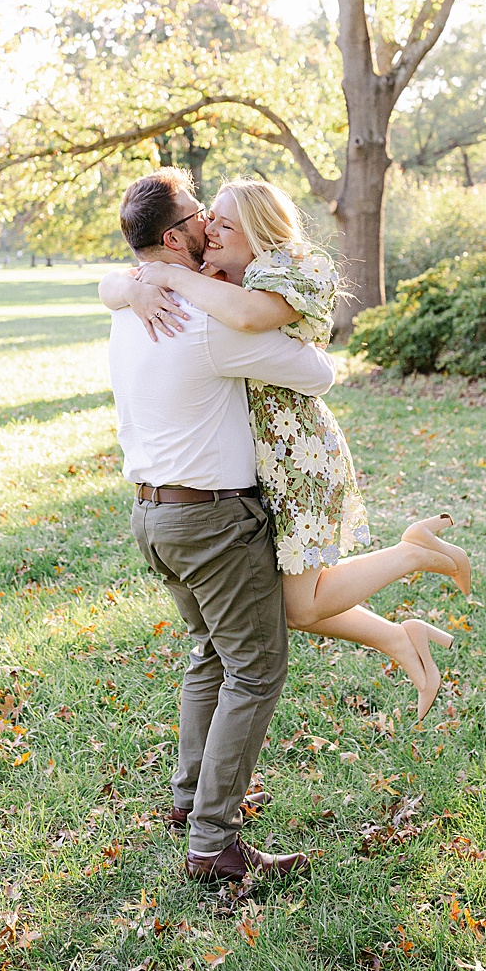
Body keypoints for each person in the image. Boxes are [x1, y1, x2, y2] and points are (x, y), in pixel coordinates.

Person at [101, 176, 468, 721]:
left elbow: (277, 339)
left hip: (297, 454)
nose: (210, 225)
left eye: (224, 221)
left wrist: (164, 277)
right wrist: (133, 284)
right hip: (262, 461)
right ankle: (397, 634)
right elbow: (112, 283)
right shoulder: (205, 277)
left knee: (300, 603)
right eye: (207, 217)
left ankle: (413, 553)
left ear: (258, 233)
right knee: (286, 605)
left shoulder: (285, 273)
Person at [107, 168, 332, 882]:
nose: (211, 222)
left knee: (210, 652)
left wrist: (129, 283)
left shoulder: (130, 307)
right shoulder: (205, 322)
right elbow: (318, 373)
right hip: (211, 522)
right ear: (175, 237)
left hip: (153, 517)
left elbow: (115, 285)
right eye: (202, 214)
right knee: (257, 668)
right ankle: (213, 841)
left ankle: (189, 799)